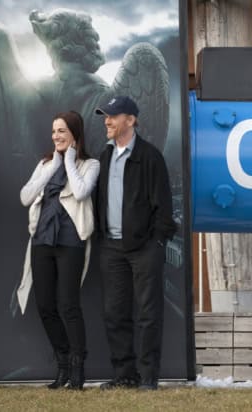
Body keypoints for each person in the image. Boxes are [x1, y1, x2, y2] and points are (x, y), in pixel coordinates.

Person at [93, 96, 176, 390]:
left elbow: (164, 209)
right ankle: (124, 376)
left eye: (113, 116)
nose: (107, 120)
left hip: (144, 249)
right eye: (105, 116)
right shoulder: (102, 157)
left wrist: (156, 243)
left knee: (148, 313)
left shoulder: (150, 157)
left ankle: (148, 377)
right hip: (111, 248)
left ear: (131, 120)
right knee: (114, 314)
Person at [17, 111, 99, 390]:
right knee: (45, 306)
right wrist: (52, 167)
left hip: (70, 242)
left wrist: (68, 161)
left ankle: (78, 370)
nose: (56, 136)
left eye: (62, 131)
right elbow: (25, 197)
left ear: (75, 133)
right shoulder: (44, 164)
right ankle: (62, 365)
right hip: (42, 241)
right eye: (54, 131)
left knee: (68, 305)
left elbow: (80, 192)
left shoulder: (90, 164)